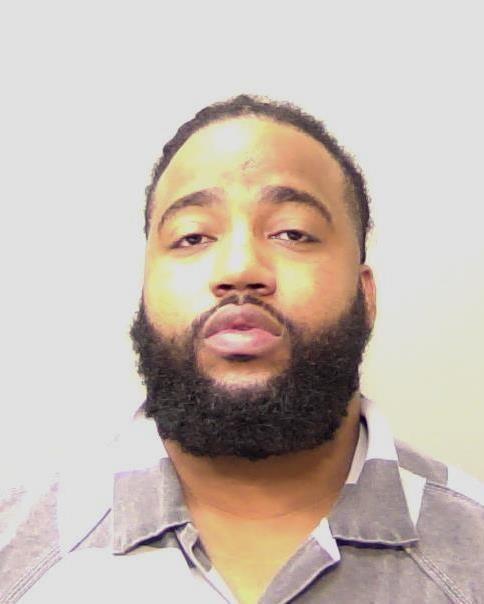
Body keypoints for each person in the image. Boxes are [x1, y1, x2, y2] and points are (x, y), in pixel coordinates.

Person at [1, 95, 483, 604]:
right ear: (144, 290)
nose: (239, 269)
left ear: (365, 297)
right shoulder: (16, 553)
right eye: (192, 237)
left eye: (293, 232)